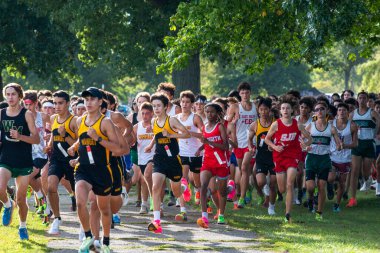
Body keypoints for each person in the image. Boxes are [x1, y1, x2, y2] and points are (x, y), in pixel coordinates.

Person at [68, 87, 121, 252]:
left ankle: (105, 242)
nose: (88, 102)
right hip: (83, 169)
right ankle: (88, 236)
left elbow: (116, 147)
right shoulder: (79, 121)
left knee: (104, 210)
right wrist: (75, 150)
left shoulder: (106, 122)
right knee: (80, 202)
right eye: (86, 99)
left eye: (92, 99)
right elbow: (83, 141)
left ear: (100, 102)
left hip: (102, 170)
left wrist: (97, 138)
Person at [145, 93, 190, 234]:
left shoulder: (172, 121)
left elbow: (187, 134)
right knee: (156, 186)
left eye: (159, 106)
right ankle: (156, 221)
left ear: (166, 107)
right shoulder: (153, 122)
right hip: (159, 158)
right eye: (154, 106)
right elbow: (156, 136)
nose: (156, 108)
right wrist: (151, 145)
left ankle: (183, 195)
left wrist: (171, 135)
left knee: (176, 191)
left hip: (173, 160)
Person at [0, 83, 40, 240]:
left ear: (20, 96)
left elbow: (36, 139)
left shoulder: (27, 114)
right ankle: (7, 205)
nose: (10, 97)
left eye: (13, 94)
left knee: (22, 199)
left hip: (23, 161)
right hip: (6, 159)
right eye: (8, 94)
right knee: (0, 187)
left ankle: (22, 226)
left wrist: (20, 136)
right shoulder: (1, 113)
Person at [265, 95, 312, 223]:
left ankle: (288, 214)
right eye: (283, 108)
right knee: (282, 189)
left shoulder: (298, 125)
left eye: (288, 108)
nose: (285, 110)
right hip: (279, 157)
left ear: (292, 111)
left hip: (293, 156)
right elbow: (267, 139)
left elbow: (310, 138)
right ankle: (284, 195)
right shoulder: (276, 124)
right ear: (280, 111)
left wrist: (305, 145)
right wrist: (275, 146)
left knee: (290, 183)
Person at [44, 90, 78, 235]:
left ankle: (84, 223)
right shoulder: (53, 118)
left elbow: (78, 144)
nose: (57, 106)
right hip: (57, 158)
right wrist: (50, 144)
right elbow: (53, 133)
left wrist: (65, 136)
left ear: (68, 103)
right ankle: (57, 218)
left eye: (60, 103)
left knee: (79, 193)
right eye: (55, 103)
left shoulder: (74, 120)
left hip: (72, 160)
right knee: (51, 186)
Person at [304, 101, 342, 220]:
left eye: (322, 109)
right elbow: (301, 142)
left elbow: (338, 144)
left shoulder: (331, 128)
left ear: (326, 111)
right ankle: (310, 199)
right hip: (311, 158)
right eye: (317, 109)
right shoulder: (310, 126)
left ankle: (319, 212)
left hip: (324, 159)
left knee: (321, 185)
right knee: (310, 187)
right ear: (314, 113)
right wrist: (306, 147)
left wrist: (339, 146)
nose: (319, 111)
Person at [197, 103, 229, 228]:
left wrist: (208, 142)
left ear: (217, 113)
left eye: (212, 112)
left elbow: (225, 146)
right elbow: (206, 143)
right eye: (207, 112)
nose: (209, 114)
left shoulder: (220, 127)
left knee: (222, 191)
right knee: (203, 186)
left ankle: (221, 214)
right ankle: (204, 216)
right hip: (208, 161)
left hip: (221, 162)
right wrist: (200, 148)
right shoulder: (204, 127)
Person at [227, 82, 258, 208]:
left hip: (251, 142)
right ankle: (248, 188)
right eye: (242, 93)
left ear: (250, 93)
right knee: (243, 170)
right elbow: (227, 122)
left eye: (247, 92)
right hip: (238, 142)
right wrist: (233, 120)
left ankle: (241, 198)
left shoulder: (255, 106)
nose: (245, 95)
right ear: (239, 94)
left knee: (244, 167)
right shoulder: (235, 106)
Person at [348, 91, 380, 206]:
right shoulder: (352, 114)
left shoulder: (373, 113)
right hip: (357, 144)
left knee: (365, 172)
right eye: (360, 98)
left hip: (368, 144)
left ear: (367, 100)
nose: (361, 100)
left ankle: (368, 179)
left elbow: (379, 124)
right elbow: (348, 128)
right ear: (357, 99)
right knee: (355, 170)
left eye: (364, 98)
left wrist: (375, 133)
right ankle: (353, 198)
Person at [248, 98, 277, 215]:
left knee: (273, 184)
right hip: (261, 156)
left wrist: (275, 146)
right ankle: (266, 193)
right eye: (261, 109)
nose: (263, 112)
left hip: (275, 156)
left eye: (265, 109)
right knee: (260, 182)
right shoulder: (255, 124)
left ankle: (271, 207)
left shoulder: (276, 123)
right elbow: (249, 139)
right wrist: (251, 148)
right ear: (258, 110)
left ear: (270, 110)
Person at [177, 90, 204, 211]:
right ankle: (184, 197)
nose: (184, 104)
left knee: (197, 181)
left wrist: (189, 133)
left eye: (187, 102)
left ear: (192, 104)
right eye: (182, 102)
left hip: (196, 152)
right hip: (182, 152)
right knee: (183, 177)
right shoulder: (176, 118)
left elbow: (204, 135)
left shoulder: (196, 118)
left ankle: (198, 190)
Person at [329, 103, 358, 212]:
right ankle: (330, 187)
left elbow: (355, 144)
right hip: (332, 156)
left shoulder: (353, 125)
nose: (341, 112)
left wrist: (344, 146)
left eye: (344, 110)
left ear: (347, 112)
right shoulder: (331, 123)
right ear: (337, 112)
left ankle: (337, 204)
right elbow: (315, 118)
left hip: (345, 158)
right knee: (330, 178)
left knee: (342, 183)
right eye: (339, 110)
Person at [134, 102, 155, 214]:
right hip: (142, 157)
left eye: (147, 113)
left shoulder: (156, 124)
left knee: (147, 175)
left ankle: (154, 201)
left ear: (152, 114)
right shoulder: (137, 127)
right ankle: (144, 204)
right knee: (144, 181)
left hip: (155, 156)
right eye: (143, 113)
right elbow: (131, 140)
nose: (145, 116)